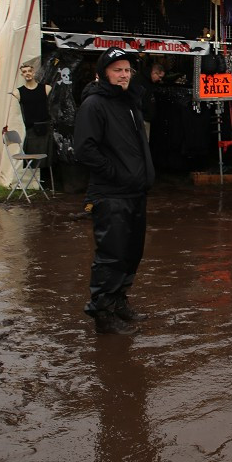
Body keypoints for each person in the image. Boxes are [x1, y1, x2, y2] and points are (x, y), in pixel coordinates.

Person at [73, 48, 155, 335]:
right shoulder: (94, 104)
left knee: (131, 252)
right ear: (103, 73)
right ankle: (103, 314)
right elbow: (84, 149)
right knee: (111, 254)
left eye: (127, 70)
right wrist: (116, 173)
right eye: (117, 70)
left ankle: (119, 302)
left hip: (134, 192)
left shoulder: (130, 102)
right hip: (110, 194)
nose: (123, 75)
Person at [12, 62, 53, 167]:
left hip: (45, 129)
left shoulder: (46, 88)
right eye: (24, 72)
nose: (27, 73)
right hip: (30, 130)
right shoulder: (18, 92)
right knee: (32, 162)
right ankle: (33, 181)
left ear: (34, 72)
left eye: (30, 71)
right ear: (22, 75)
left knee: (48, 161)